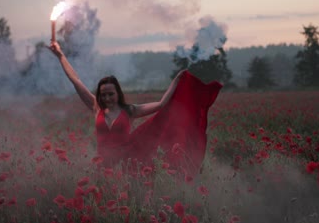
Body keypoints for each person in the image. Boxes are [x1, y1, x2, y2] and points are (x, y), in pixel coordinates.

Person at [49, 41, 222, 175]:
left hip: (125, 164)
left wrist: (176, 80)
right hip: (102, 165)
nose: (107, 98)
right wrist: (60, 55)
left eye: (110, 94)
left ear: (118, 93)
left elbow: (161, 104)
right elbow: (76, 80)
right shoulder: (96, 108)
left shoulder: (130, 110)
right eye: (103, 95)